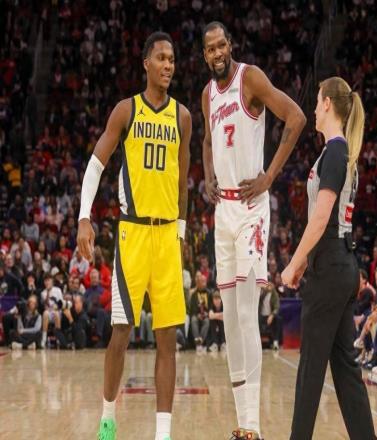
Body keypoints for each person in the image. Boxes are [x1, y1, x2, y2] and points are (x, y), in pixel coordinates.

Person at [77, 31, 191, 440]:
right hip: (133, 234)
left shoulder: (182, 117)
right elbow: (96, 163)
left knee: (167, 339)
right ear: (146, 63)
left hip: (167, 236)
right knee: (121, 332)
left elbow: (182, 182)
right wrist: (84, 217)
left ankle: (163, 433)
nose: (167, 65)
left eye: (172, 59)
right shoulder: (126, 110)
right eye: (161, 58)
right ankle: (108, 417)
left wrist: (181, 232)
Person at [201, 21, 305, 440]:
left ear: (231, 45)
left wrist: (269, 177)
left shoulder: (251, 78)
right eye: (210, 48)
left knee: (246, 313)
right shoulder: (207, 94)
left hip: (250, 208)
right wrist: (207, 175)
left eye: (221, 45)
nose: (217, 53)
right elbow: (206, 140)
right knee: (229, 319)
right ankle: (242, 423)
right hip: (223, 210)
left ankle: (253, 427)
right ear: (205, 55)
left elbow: (296, 117)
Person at [282, 76, 376, 439]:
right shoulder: (338, 152)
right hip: (339, 265)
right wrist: (306, 261)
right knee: (345, 369)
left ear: (327, 104)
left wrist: (294, 263)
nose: (313, 108)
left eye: (317, 100)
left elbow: (321, 218)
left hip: (332, 267)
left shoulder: (336, 151)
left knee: (310, 370)